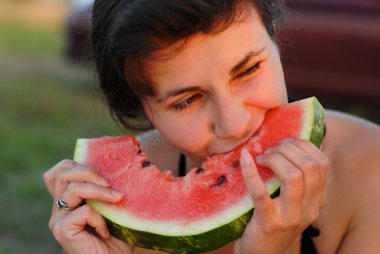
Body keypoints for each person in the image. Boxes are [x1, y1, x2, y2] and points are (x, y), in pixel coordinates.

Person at [43, 0, 380, 253]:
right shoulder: (116, 201)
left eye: (248, 70)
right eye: (187, 100)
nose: (233, 124)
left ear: (273, 39)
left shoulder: (369, 169)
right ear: (141, 106)